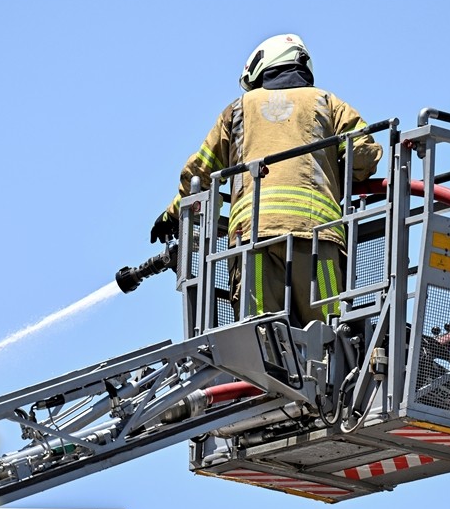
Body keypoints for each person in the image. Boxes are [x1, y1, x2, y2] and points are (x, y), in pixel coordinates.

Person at [150, 34, 383, 328]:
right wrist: (336, 172)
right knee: (332, 334)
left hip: (252, 242)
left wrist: (172, 214)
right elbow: (363, 155)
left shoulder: (237, 110)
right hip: (317, 240)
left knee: (261, 336)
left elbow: (199, 173)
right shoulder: (328, 103)